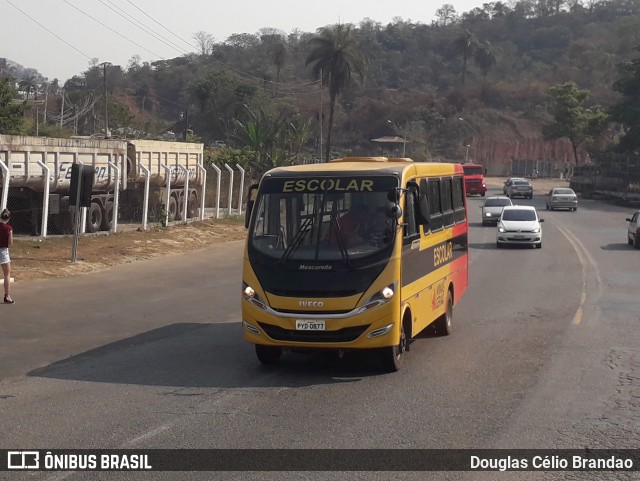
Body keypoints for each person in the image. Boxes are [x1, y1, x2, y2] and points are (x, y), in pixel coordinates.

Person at [0, 209, 15, 304]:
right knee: (7, 274)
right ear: (8, 218)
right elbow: (10, 243)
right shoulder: (8, 228)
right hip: (3, 251)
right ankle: (7, 296)